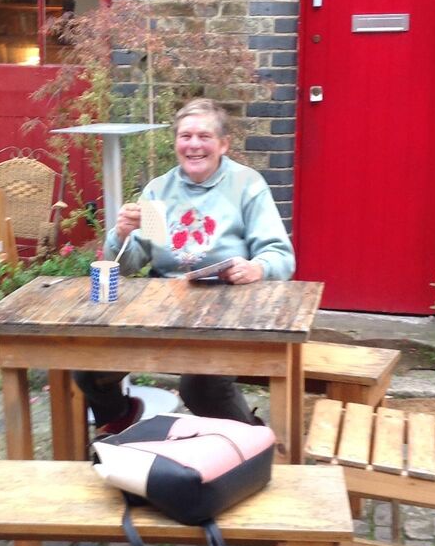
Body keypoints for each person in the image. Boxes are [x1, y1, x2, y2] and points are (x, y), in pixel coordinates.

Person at [74, 97, 295, 435]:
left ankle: (251, 439)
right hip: (164, 309)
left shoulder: (246, 186)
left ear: (223, 144)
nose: (194, 145)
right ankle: (120, 419)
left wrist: (258, 268)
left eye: (204, 136)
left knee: (201, 386)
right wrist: (121, 234)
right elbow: (132, 263)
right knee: (87, 365)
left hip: (227, 310)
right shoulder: (159, 191)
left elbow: (280, 254)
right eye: (185, 136)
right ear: (176, 142)